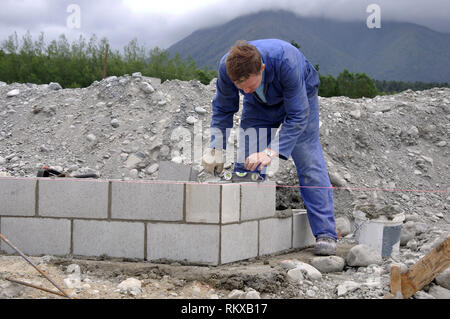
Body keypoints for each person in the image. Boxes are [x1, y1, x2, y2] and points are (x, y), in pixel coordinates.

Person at [202, 39, 337, 255]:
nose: (244, 91)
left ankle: (325, 234)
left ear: (262, 68)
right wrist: (216, 147)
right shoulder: (227, 68)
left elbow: (298, 116)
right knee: (247, 167)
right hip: (259, 106)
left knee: (308, 160)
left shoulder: (286, 61)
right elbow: (223, 108)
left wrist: (270, 151)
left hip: (300, 99)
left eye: (249, 85)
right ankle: (244, 232)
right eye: (241, 88)